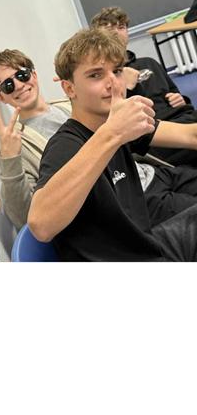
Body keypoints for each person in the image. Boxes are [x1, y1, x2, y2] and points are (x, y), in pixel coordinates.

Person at [27, 28, 197, 261]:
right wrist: (113, 133)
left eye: (117, 71)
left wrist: (115, 130)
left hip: (148, 244)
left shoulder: (113, 122)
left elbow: (190, 136)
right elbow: (41, 225)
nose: (113, 83)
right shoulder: (66, 144)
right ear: (69, 88)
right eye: (95, 75)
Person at [0, 48, 197, 231]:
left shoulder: (69, 103)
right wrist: (10, 160)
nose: (19, 85)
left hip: (151, 173)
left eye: (22, 75)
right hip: (131, 202)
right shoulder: (17, 142)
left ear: (34, 75)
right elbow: (27, 219)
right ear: (0, 97)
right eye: (8, 85)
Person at [91, 6, 197, 166]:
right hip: (155, 136)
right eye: (108, 28)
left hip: (185, 118)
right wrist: (126, 86)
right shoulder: (103, 78)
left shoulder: (149, 62)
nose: (116, 32)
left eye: (121, 27)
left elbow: (177, 94)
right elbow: (110, 121)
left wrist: (180, 99)